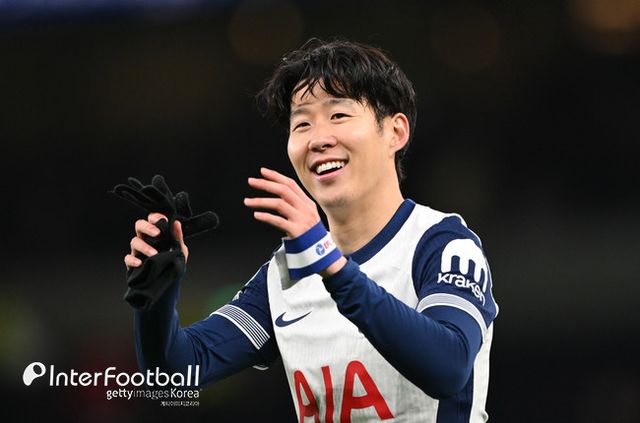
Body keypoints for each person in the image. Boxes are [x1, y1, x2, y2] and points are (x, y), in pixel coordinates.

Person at [123, 38, 498, 422]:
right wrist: (156, 301)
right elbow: (174, 375)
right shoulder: (284, 276)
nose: (318, 139)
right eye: (302, 123)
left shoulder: (442, 244)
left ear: (395, 132)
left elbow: (448, 368)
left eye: (339, 115)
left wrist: (330, 264)